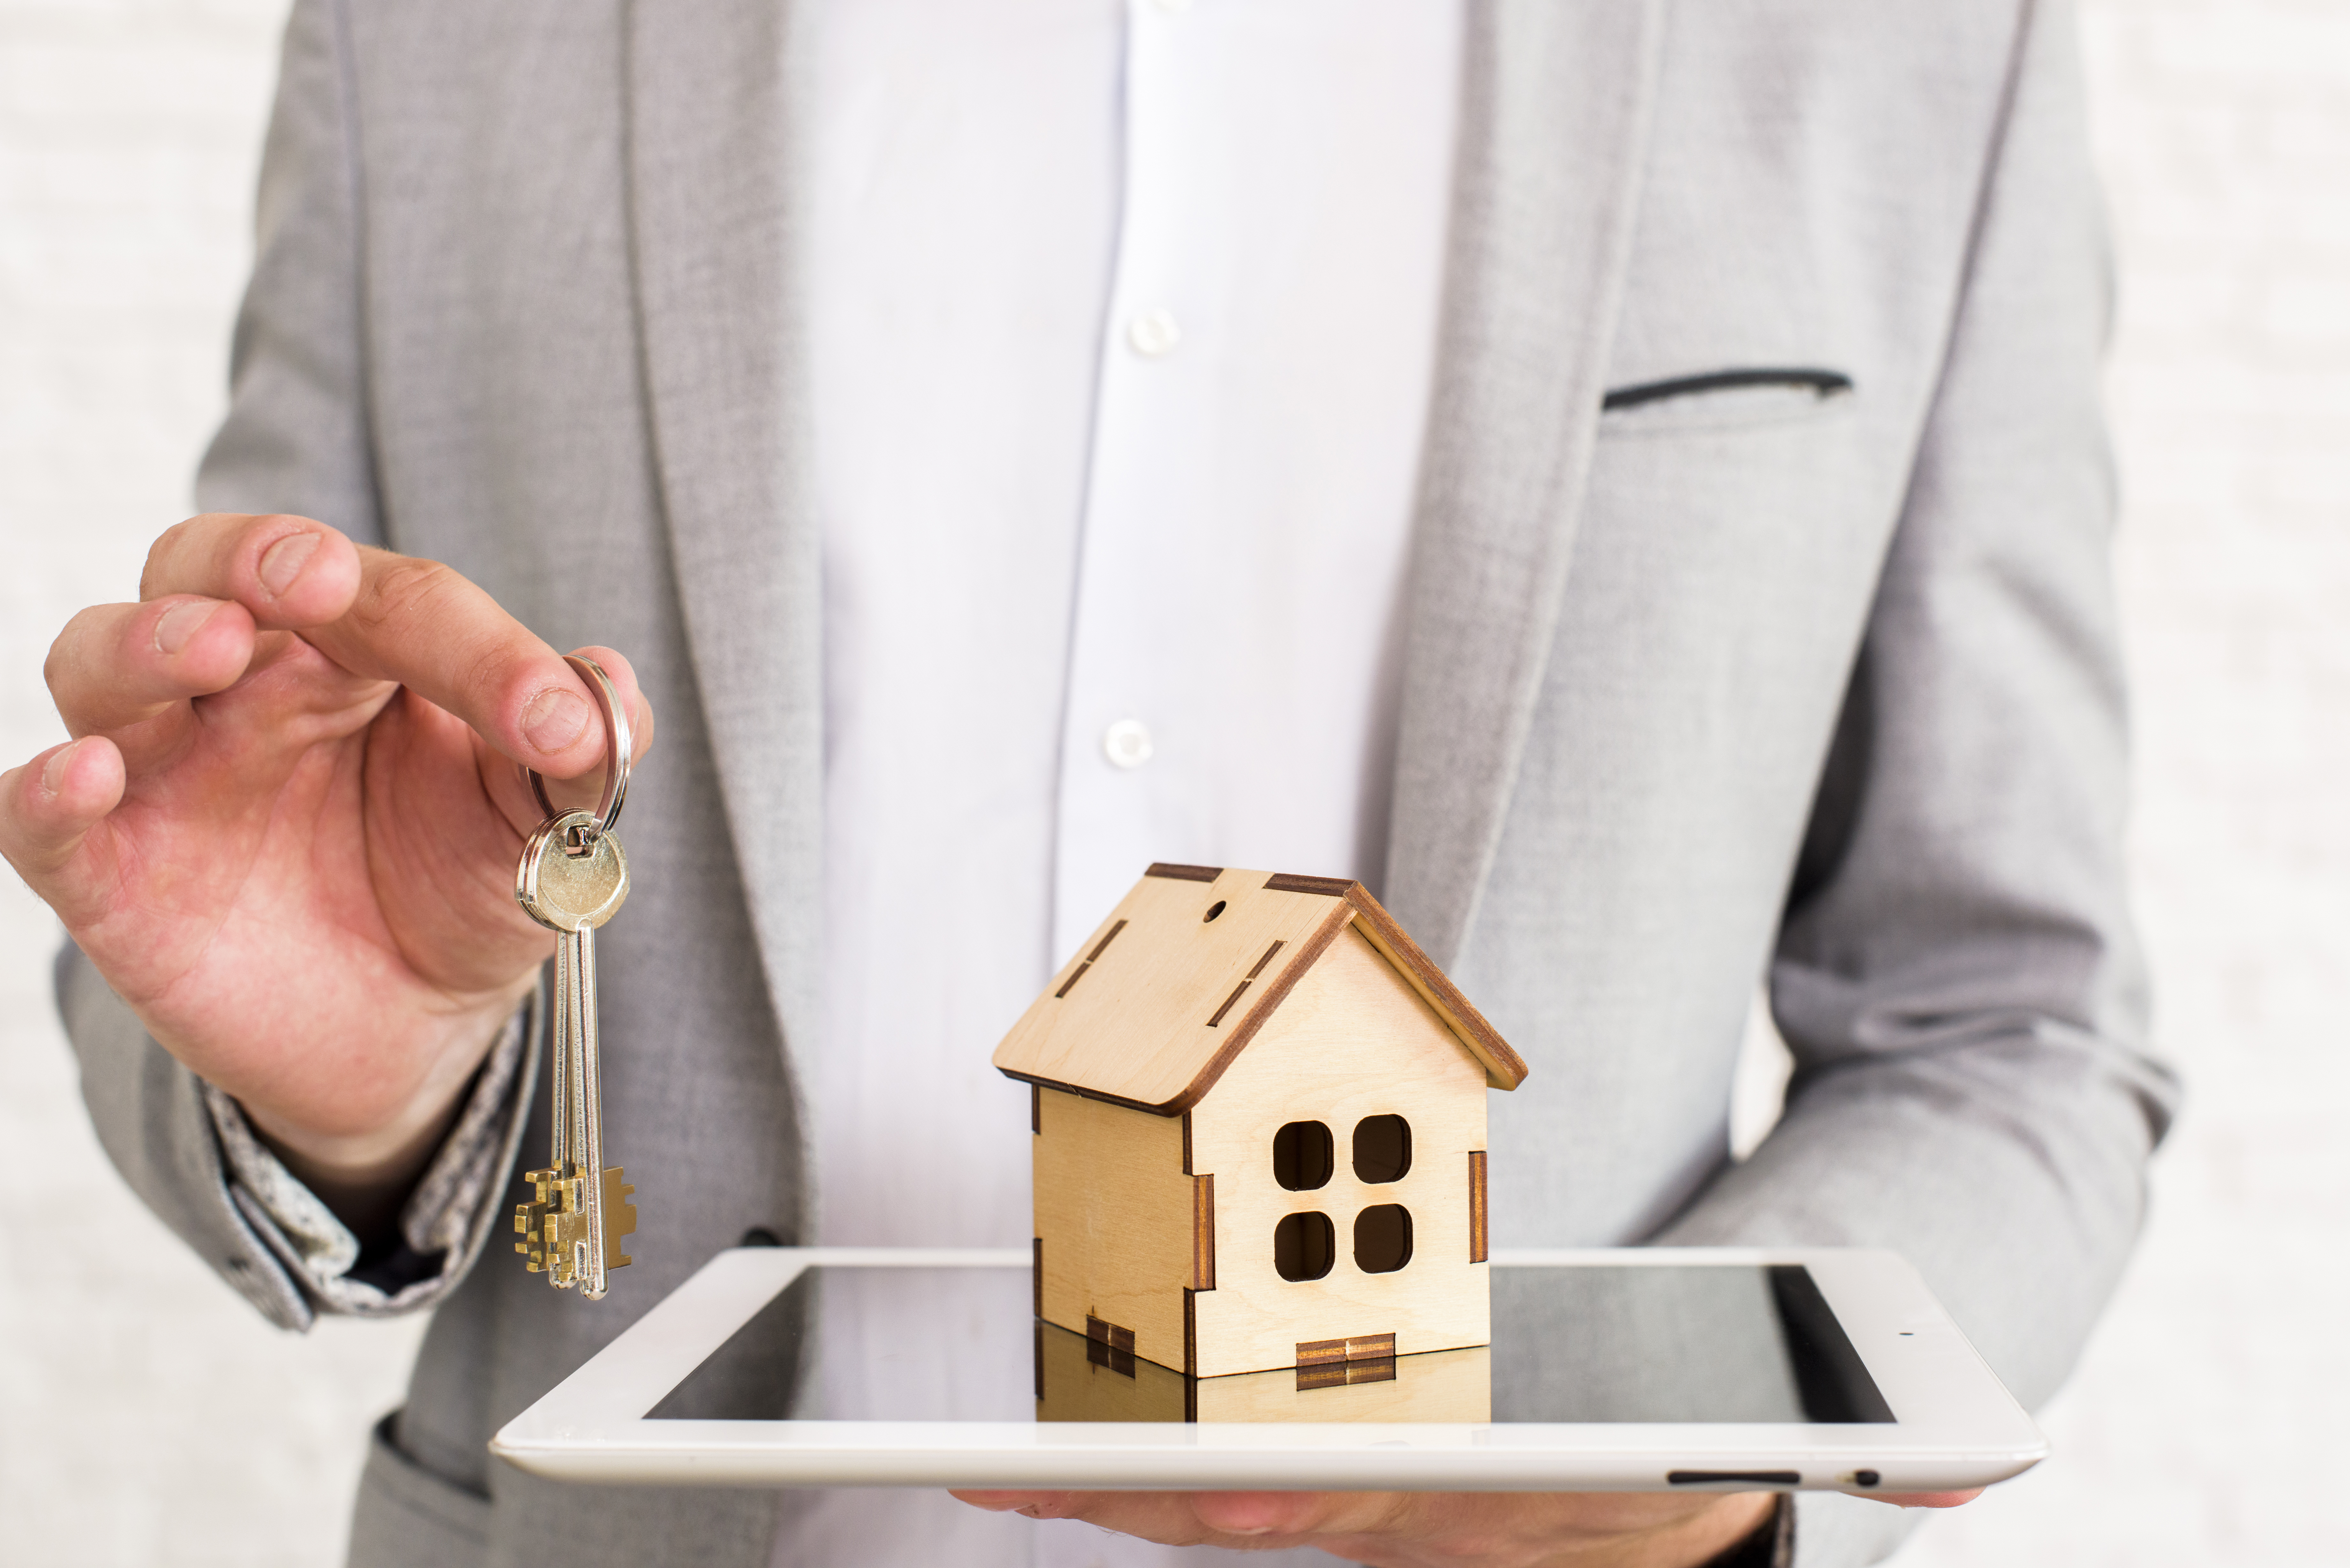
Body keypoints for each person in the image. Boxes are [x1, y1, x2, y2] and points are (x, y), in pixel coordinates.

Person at [2, 1, 2179, 1564]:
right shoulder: (438, 37)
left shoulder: (1921, 42)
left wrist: (1701, 1468)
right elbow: (239, 819)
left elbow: (2011, 1028)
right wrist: (354, 1098)